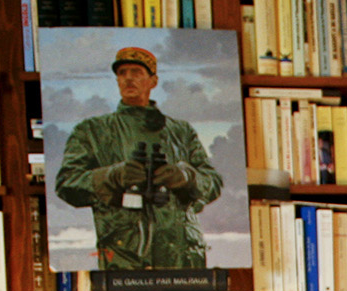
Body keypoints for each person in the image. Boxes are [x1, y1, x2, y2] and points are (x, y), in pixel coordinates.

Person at [54, 46, 224, 270]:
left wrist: (186, 177)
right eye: (122, 73)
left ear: (153, 81)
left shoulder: (181, 131)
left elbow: (213, 183)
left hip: (183, 258)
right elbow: (67, 183)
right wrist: (111, 176)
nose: (128, 78)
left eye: (136, 72)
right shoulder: (92, 131)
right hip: (125, 258)